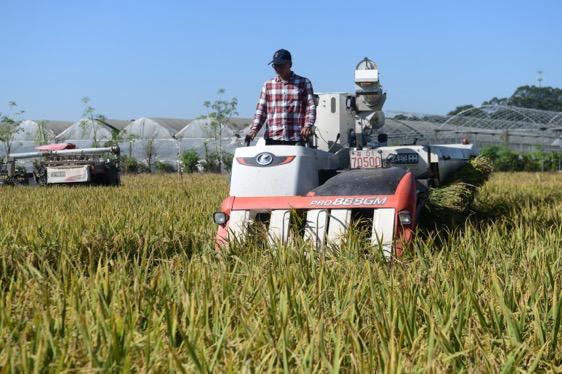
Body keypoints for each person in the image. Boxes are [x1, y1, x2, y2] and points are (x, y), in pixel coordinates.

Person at [246, 49, 316, 145]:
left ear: (290, 64)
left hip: (296, 137)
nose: (278, 68)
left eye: (281, 65)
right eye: (275, 66)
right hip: (273, 138)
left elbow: (310, 107)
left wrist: (308, 125)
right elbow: (261, 110)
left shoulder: (304, 83)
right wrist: (254, 129)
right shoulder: (268, 85)